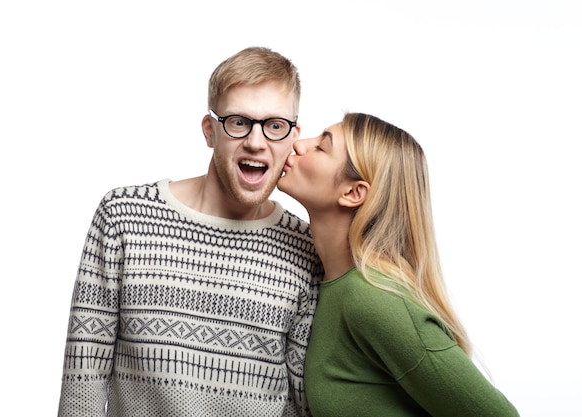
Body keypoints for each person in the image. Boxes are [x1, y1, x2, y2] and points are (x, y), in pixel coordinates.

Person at [57, 46, 322, 417]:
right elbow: (81, 386)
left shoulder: (307, 248)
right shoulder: (124, 218)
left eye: (274, 125)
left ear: (293, 136)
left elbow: (301, 405)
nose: (256, 142)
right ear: (210, 131)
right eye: (238, 122)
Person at [277, 112, 519, 416]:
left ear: (353, 192)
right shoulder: (323, 281)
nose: (299, 144)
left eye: (321, 147)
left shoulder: (374, 299)